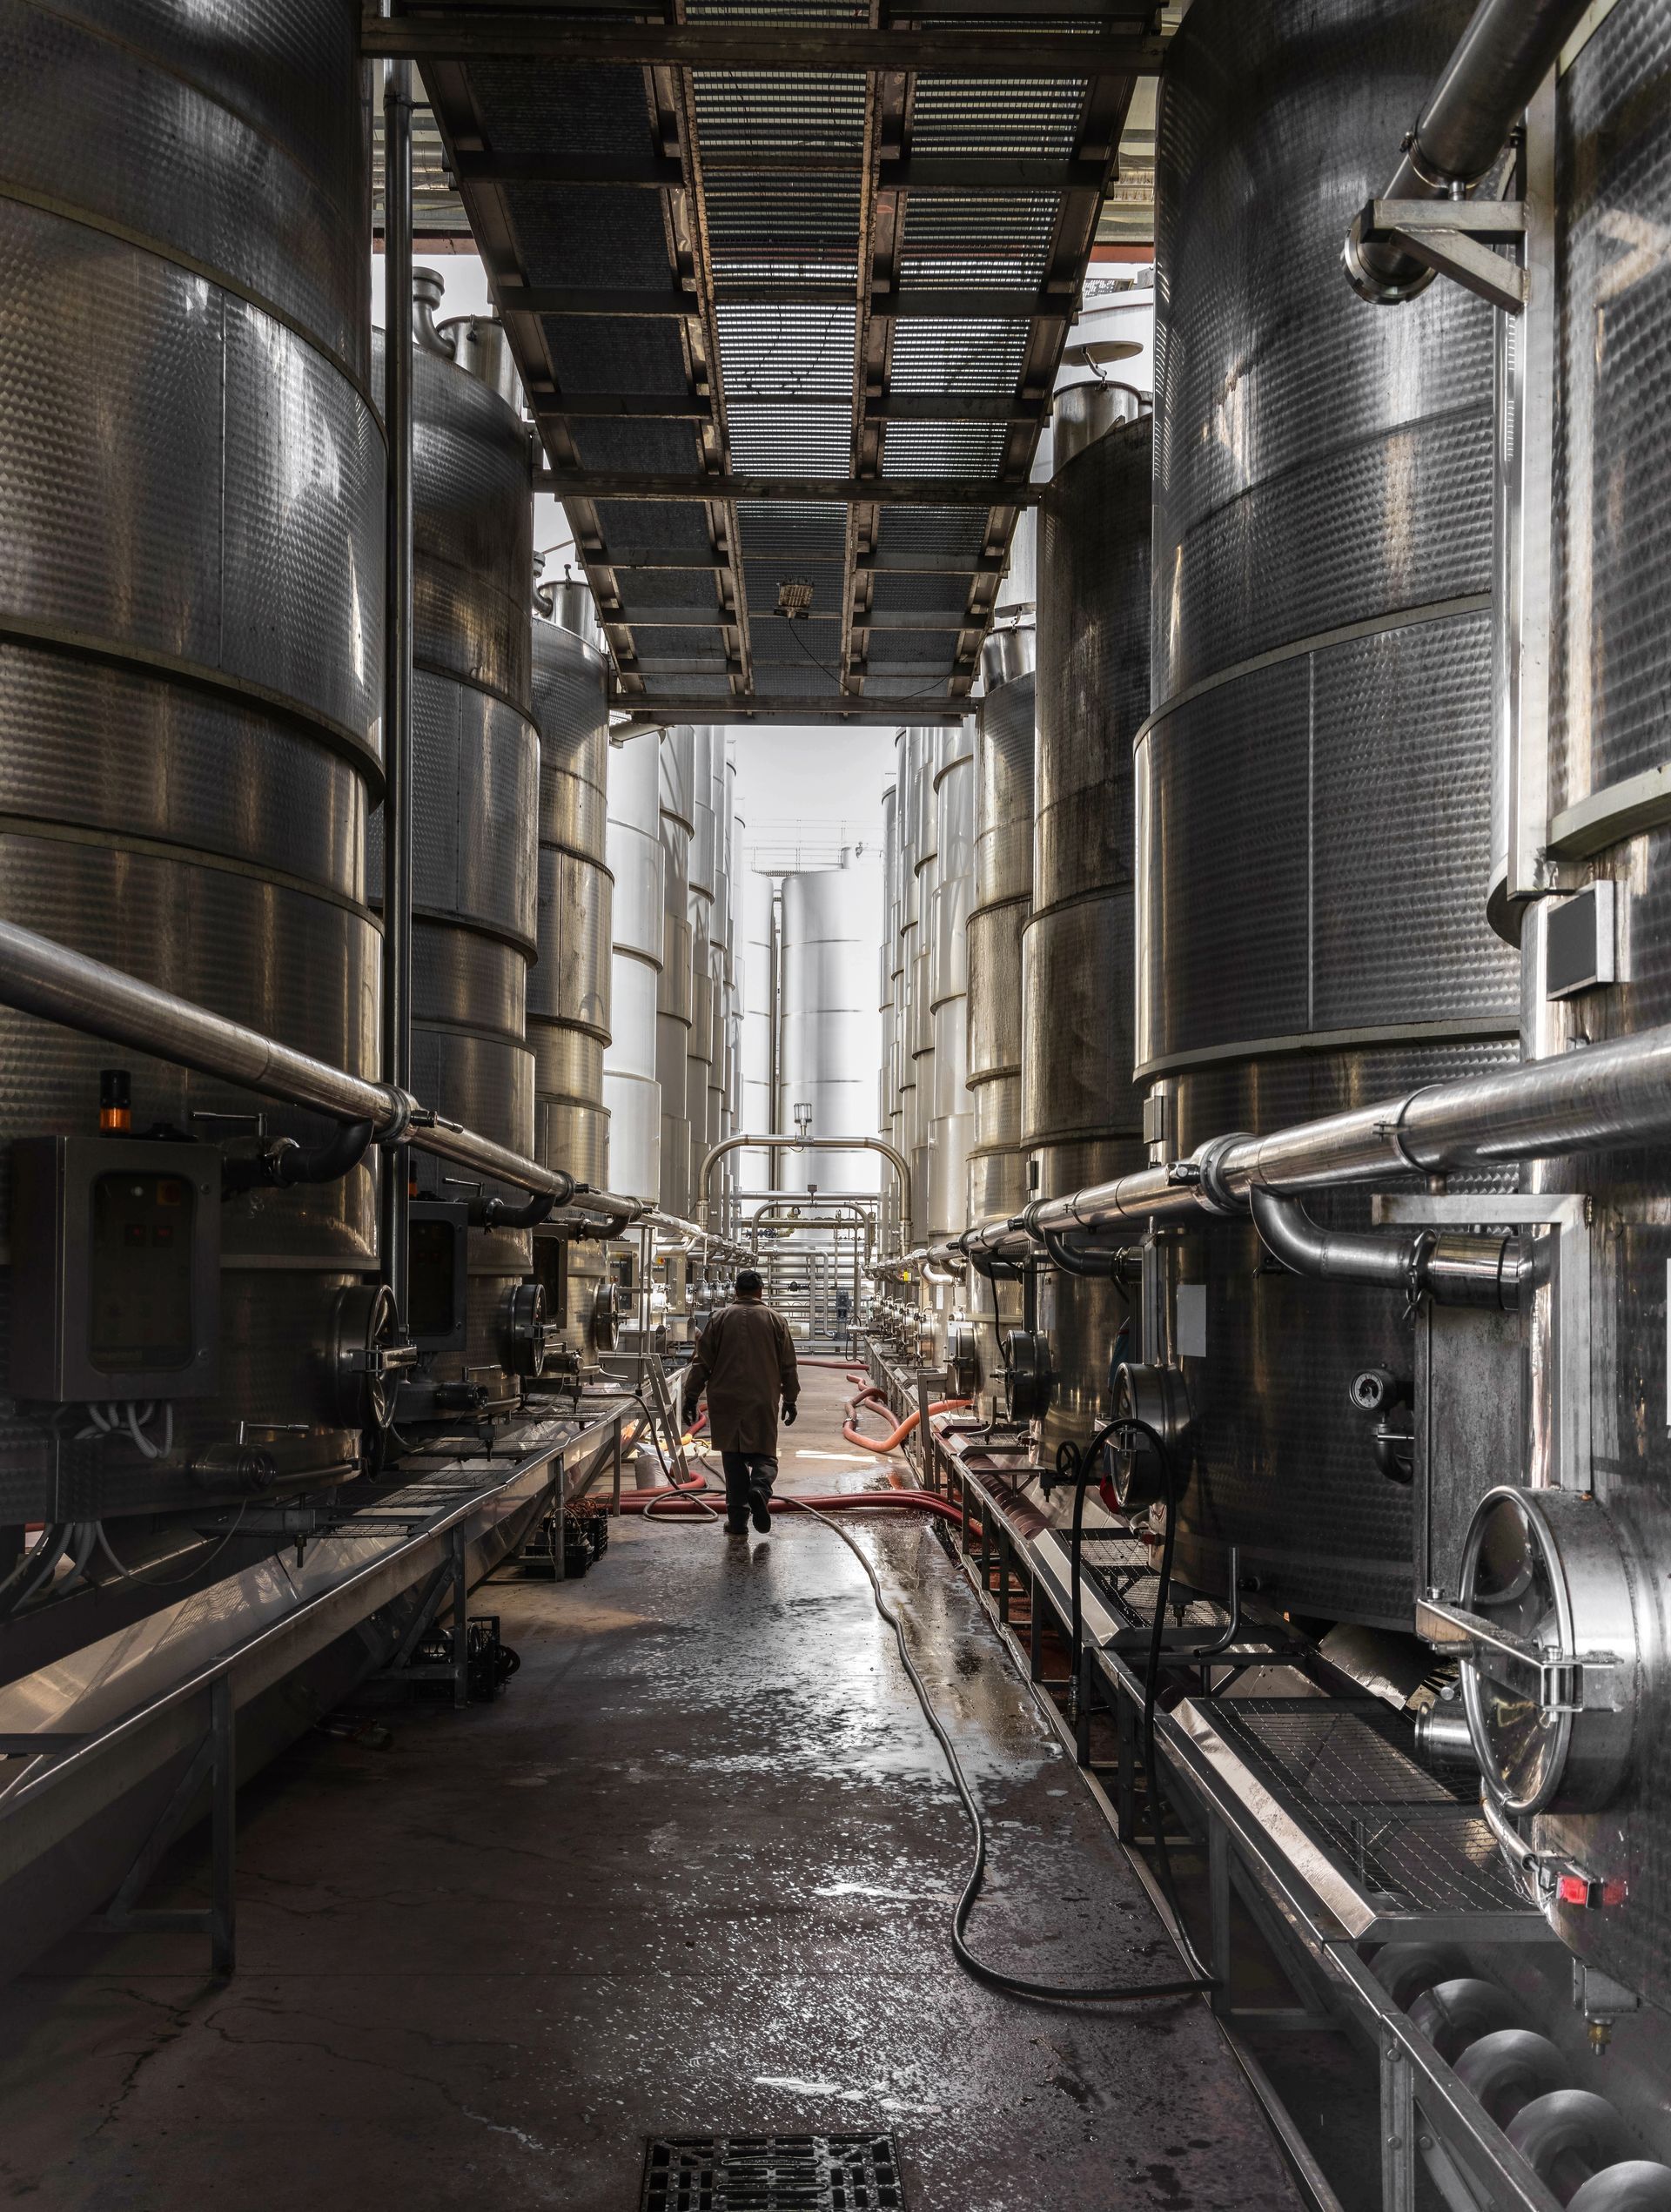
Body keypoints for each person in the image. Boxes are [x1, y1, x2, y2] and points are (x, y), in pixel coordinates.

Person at [681, 1269, 799, 1535]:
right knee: (764, 1454)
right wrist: (790, 1398)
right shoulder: (776, 1320)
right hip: (762, 1397)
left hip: (726, 1400)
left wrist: (690, 1396)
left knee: (732, 1461)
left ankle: (737, 1522)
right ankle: (760, 1487)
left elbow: (702, 1362)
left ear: (735, 1291)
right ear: (761, 1292)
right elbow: (788, 1365)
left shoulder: (719, 1319)